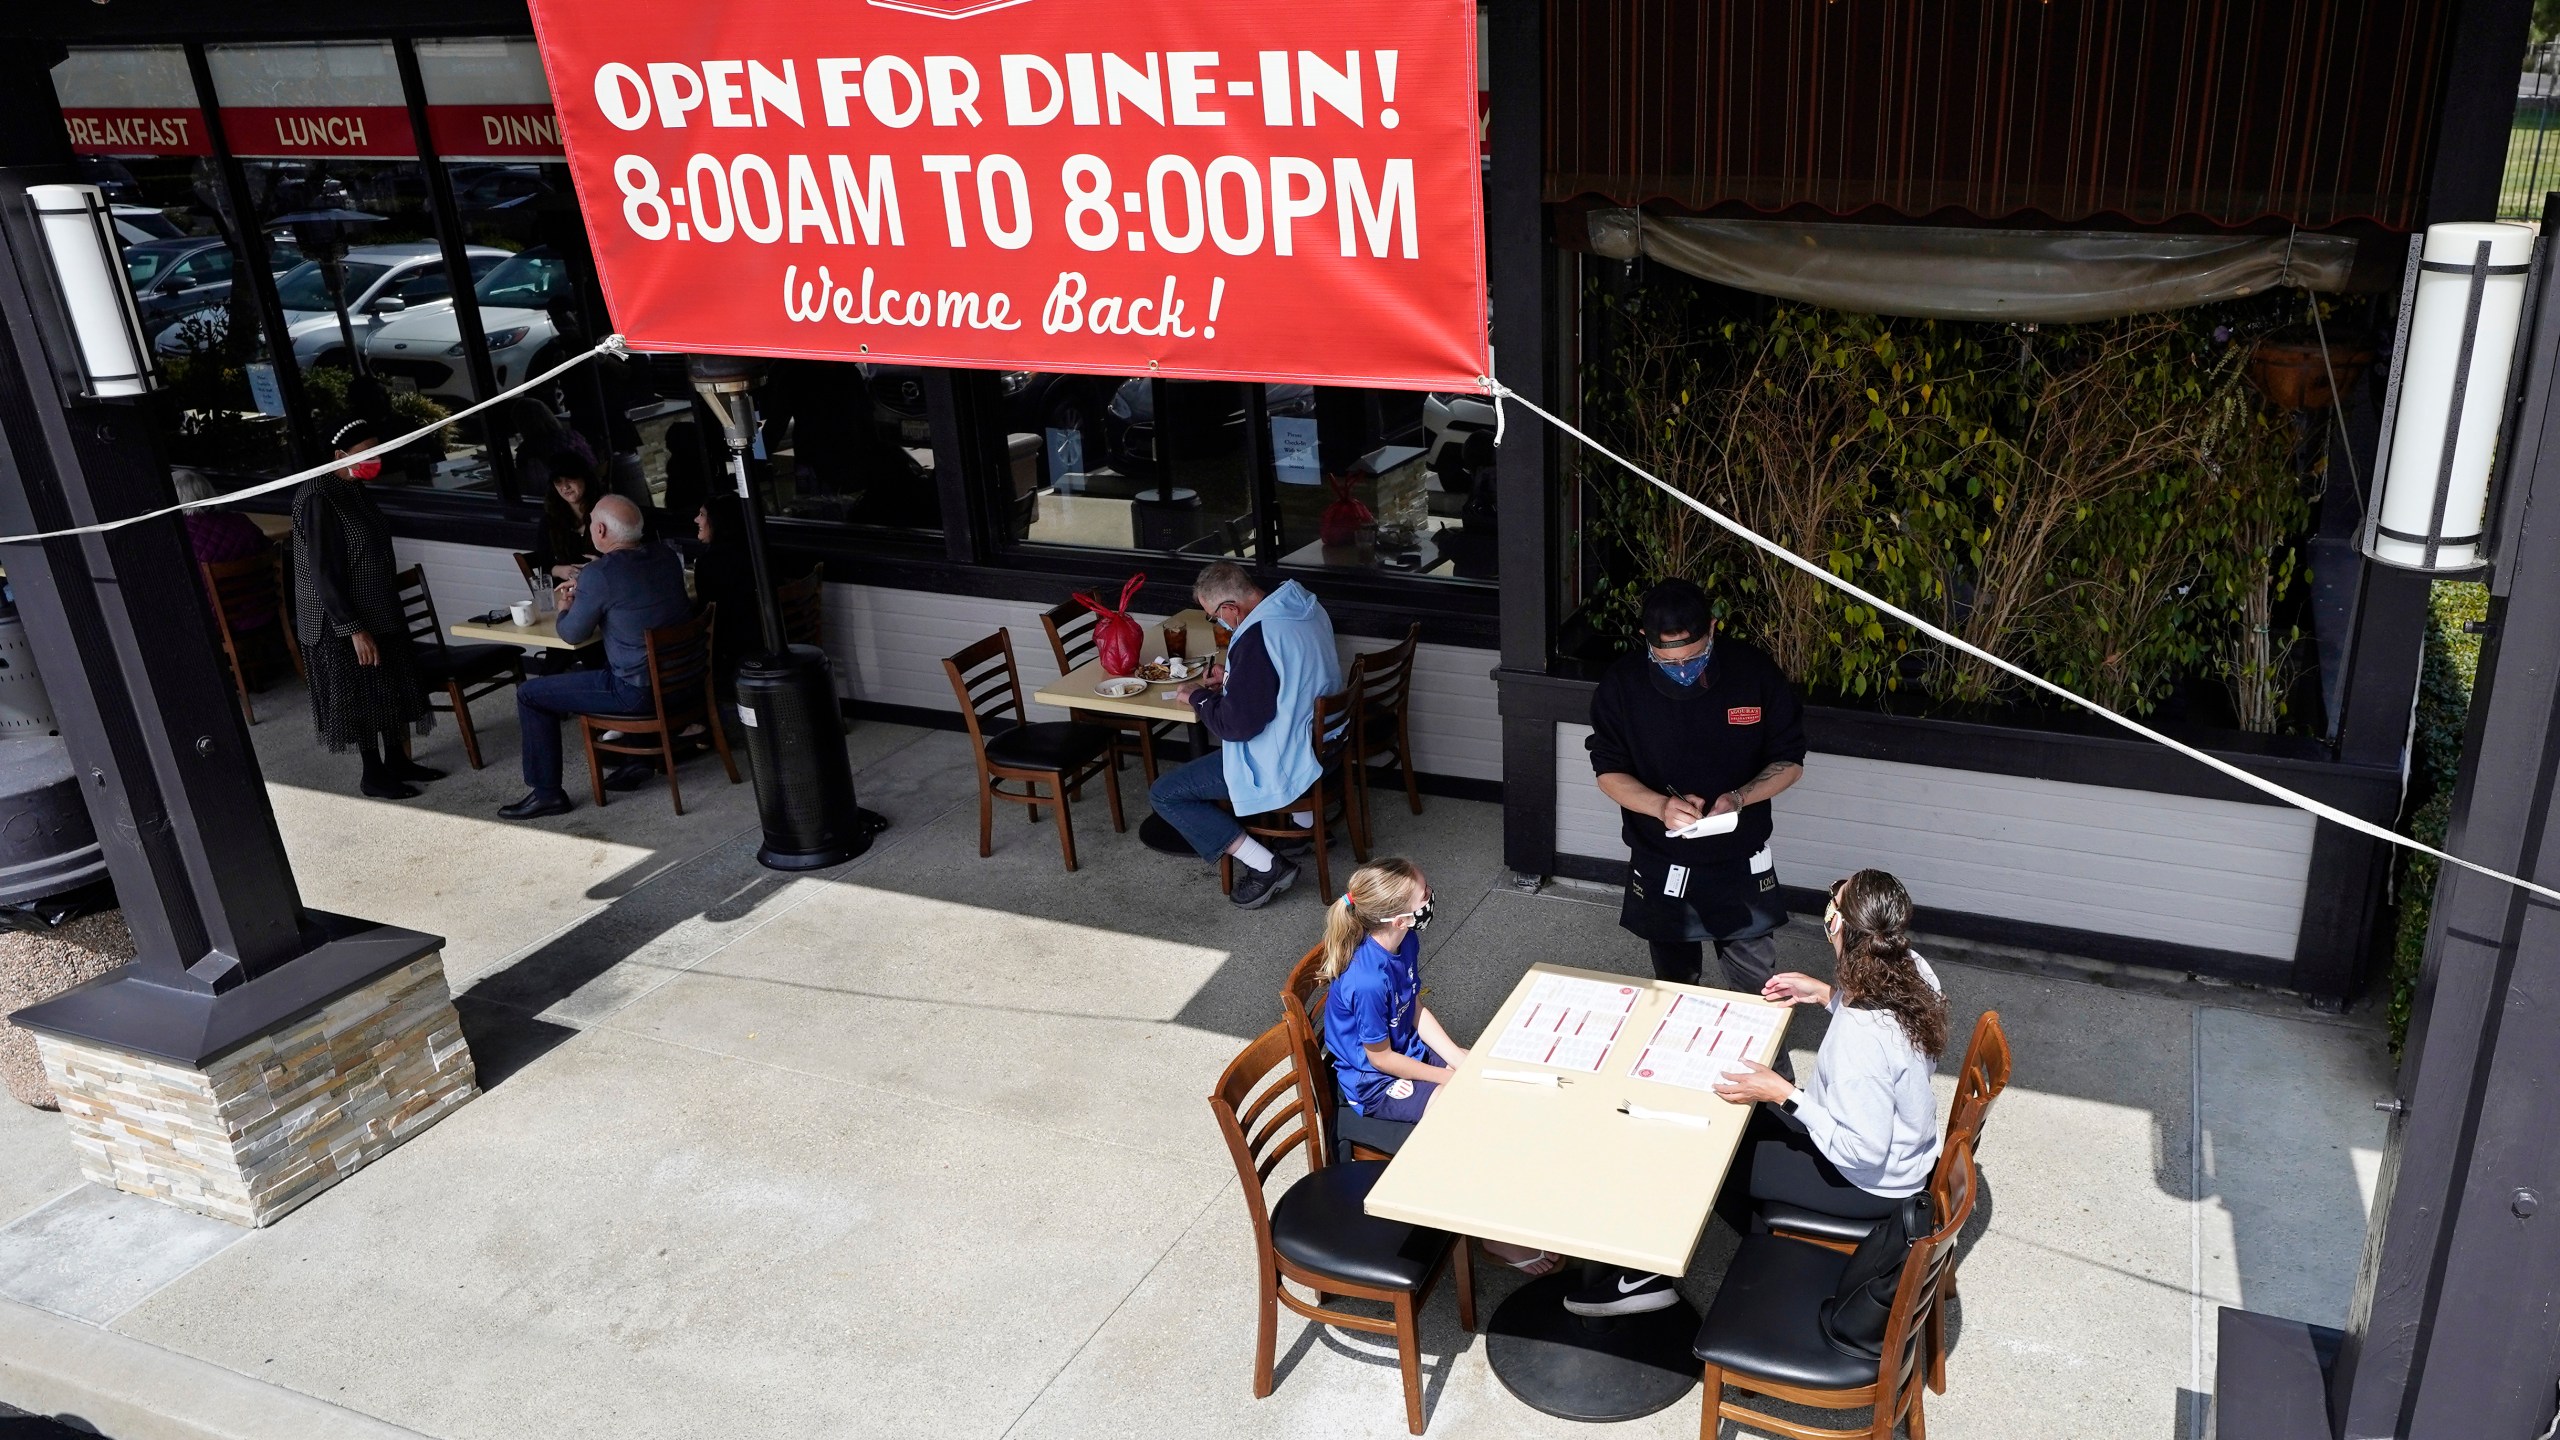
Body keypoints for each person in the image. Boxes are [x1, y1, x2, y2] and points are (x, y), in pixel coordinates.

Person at [1564, 869, 1948, 1318]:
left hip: (1866, 1183)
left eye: (1834, 897)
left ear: (1835, 924)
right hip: (1903, 1153)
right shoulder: (1913, 967)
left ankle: (1655, 1277)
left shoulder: (1860, 1041)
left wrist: (1785, 1093)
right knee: (1733, 1117)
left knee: (1708, 1152)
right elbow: (1889, 1044)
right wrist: (1826, 995)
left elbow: (1862, 1149)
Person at [1317, 859, 1559, 1276]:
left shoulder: (1403, 942)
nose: (1431, 897)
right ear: (1399, 917)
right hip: (1376, 1084)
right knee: (1465, 1116)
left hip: (1407, 1055)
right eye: (1424, 894)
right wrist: (1448, 1077)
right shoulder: (1367, 981)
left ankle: (1513, 1203)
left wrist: (1456, 1056)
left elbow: (1412, 1008)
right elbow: (1380, 1058)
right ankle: (1491, 1235)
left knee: (1492, 1083)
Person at [1588, 578, 1806, 993]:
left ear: (1712, 628)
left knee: (1759, 988)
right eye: (1668, 662)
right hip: (1661, 854)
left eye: (1694, 656)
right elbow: (1608, 772)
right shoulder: (1621, 686)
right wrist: (1659, 806)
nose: (1684, 669)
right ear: (1645, 640)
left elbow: (1790, 761)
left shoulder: (1753, 672)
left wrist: (1740, 798)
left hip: (1739, 854)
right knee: (1674, 985)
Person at [1151, 562, 1342, 908]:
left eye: (1214, 616)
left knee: (1166, 794)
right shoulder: (1302, 605)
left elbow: (1236, 726)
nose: (1218, 623)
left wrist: (1197, 696)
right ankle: (1308, 828)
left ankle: (1267, 866)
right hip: (1327, 744)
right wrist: (1234, 677)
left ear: (1229, 609)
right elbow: (1287, 674)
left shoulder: (1256, 637)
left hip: (1288, 756)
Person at [497, 495, 694, 820]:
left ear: (599, 529)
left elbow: (572, 634)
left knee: (530, 695)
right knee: (609, 660)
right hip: (683, 681)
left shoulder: (600, 575)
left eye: (591, 525)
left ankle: (547, 794)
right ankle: (637, 759)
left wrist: (565, 607)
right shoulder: (665, 555)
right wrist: (589, 586)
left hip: (638, 692)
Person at [290, 419, 437, 800]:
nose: (376, 459)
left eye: (378, 450)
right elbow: (324, 573)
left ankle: (398, 761)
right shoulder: (319, 497)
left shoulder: (354, 487)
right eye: (366, 453)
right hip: (339, 619)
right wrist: (353, 628)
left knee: (388, 686)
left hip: (378, 605)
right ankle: (373, 774)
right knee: (363, 694)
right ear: (339, 456)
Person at [172, 469, 275, 631]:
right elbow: (270, 553)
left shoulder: (180, 537)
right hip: (266, 610)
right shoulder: (241, 522)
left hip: (218, 625)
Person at [527, 446, 602, 581]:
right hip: (567, 594)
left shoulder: (607, 511)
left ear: (584, 478)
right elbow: (544, 566)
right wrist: (559, 570)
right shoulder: (549, 522)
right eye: (558, 482)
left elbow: (627, 555)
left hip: (604, 585)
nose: (565, 487)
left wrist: (603, 564)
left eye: (570, 479)